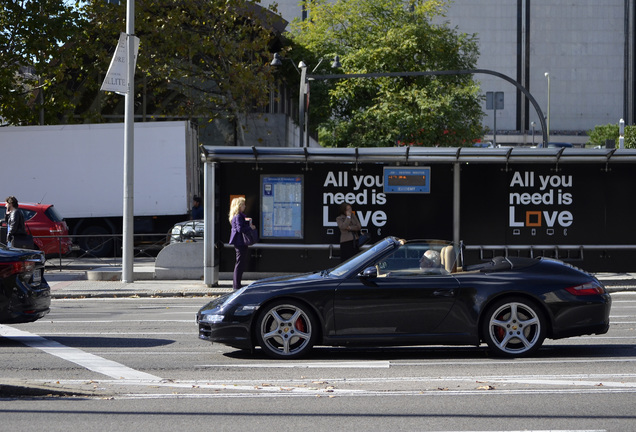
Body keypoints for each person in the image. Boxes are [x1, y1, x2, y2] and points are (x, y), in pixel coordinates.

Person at [228, 196, 256, 289]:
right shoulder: (238, 216)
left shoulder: (236, 216)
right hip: (240, 242)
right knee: (240, 263)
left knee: (240, 263)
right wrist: (250, 227)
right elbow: (240, 229)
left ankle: (237, 284)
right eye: (243, 205)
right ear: (239, 206)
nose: (245, 207)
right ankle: (236, 285)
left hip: (239, 242)